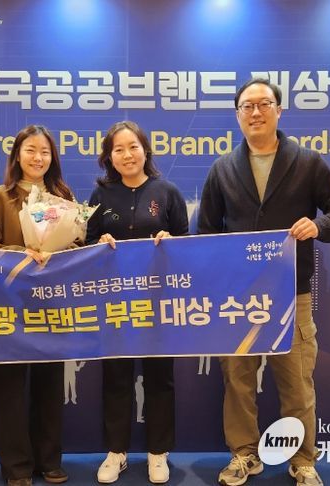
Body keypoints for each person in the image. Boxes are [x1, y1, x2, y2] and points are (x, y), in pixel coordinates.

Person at [197, 79, 330, 486]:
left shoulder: (307, 162)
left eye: (264, 104)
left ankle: (302, 460)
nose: (256, 112)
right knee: (237, 380)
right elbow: (207, 232)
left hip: (291, 293)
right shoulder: (222, 168)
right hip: (237, 297)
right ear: (237, 115)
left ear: (279, 111)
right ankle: (243, 455)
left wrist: (318, 226)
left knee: (296, 382)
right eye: (247, 106)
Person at [86, 121, 189, 484]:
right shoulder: (100, 195)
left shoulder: (168, 192)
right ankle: (116, 452)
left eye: (133, 147)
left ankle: (158, 452)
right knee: (116, 376)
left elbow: (187, 245)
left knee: (160, 377)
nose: (127, 155)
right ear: (109, 157)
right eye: (118, 149)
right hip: (115, 302)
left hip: (158, 303)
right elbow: (86, 242)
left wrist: (171, 241)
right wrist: (98, 243)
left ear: (145, 150)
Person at [0, 125, 73, 486]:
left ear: (52, 157)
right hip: (8, 307)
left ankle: (49, 460)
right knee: (10, 390)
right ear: (17, 155)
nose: (38, 158)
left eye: (45, 152)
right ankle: (16, 467)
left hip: (51, 307)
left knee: (50, 386)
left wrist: (58, 253)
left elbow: (78, 245)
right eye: (30, 150)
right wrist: (21, 253)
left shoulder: (62, 197)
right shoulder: (0, 197)